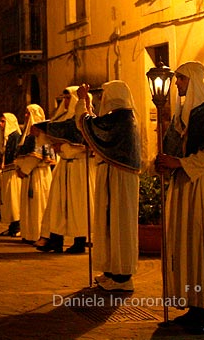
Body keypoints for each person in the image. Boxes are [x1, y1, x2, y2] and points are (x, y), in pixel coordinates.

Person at [155, 61, 204, 335]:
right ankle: (194, 308)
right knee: (187, 245)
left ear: (195, 81)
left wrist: (178, 163)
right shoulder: (180, 115)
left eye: (182, 78)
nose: (177, 83)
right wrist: (165, 163)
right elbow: (173, 151)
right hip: (184, 187)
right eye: (177, 78)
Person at [76, 80, 141, 292]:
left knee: (119, 223)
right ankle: (111, 271)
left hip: (120, 177)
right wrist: (86, 103)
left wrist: (82, 103)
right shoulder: (117, 118)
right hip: (112, 174)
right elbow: (95, 125)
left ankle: (123, 277)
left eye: (105, 95)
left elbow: (89, 124)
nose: (103, 98)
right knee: (108, 222)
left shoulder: (122, 118)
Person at [39, 87, 95, 253]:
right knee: (57, 205)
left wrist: (63, 146)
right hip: (64, 166)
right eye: (64, 98)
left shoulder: (84, 120)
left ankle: (79, 242)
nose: (65, 101)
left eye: (69, 98)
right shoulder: (62, 119)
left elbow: (86, 146)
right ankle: (55, 239)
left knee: (78, 206)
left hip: (78, 167)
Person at [15, 104, 53, 245]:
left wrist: (23, 170)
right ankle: (29, 232)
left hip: (37, 175)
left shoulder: (38, 134)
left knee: (38, 205)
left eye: (27, 113)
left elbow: (35, 156)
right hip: (30, 174)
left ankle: (37, 233)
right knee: (30, 206)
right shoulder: (29, 134)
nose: (25, 115)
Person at [0, 113, 22, 237]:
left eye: (3, 122)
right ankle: (12, 226)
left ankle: (17, 226)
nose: (0, 124)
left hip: (13, 173)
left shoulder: (15, 136)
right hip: (7, 172)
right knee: (8, 201)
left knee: (14, 201)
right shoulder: (5, 137)